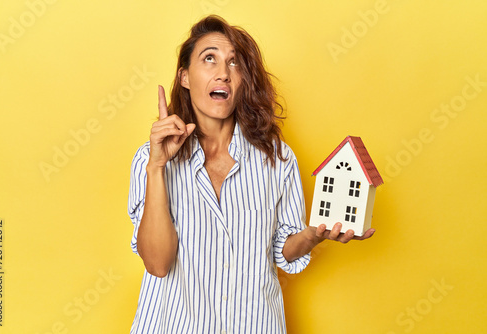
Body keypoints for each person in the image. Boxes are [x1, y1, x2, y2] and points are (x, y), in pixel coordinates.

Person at [127, 15, 374, 333]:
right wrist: (158, 166)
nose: (223, 74)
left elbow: (282, 250)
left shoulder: (277, 158)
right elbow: (157, 264)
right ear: (185, 77)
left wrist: (313, 235)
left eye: (234, 63)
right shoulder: (150, 159)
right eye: (209, 59)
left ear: (244, 79)